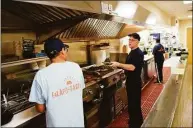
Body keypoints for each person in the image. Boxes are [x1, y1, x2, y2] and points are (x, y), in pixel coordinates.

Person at [29, 38, 86, 127]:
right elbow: (79, 92)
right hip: (77, 124)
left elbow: (40, 109)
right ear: (62, 51)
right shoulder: (76, 67)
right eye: (65, 49)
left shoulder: (41, 75)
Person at [111, 33, 144, 128]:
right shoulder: (132, 52)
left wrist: (118, 64)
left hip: (135, 83)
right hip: (131, 82)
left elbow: (132, 67)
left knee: (134, 104)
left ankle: (136, 124)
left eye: (132, 40)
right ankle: (135, 121)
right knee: (132, 103)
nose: (130, 41)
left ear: (137, 41)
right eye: (129, 39)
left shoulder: (138, 53)